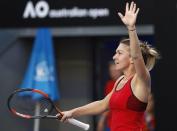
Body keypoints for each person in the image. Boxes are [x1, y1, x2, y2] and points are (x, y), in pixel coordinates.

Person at [58, 2, 160, 131]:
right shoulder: (119, 81)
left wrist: (131, 28)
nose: (114, 57)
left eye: (119, 53)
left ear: (131, 59)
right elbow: (102, 104)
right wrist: (71, 112)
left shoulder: (141, 79)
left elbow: (137, 56)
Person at [97, 61, 122, 131]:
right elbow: (106, 104)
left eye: (115, 71)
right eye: (111, 71)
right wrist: (102, 120)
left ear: (120, 71)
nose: (113, 73)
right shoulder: (109, 84)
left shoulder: (127, 82)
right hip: (111, 122)